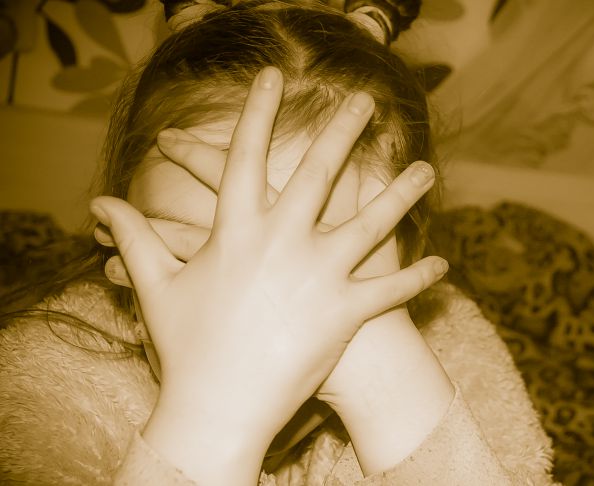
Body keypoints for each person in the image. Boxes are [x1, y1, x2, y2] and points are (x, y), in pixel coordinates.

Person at [0, 1, 555, 484]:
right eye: (195, 255)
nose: (271, 314)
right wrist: (212, 418)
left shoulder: (456, 352)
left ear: (409, 256)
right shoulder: (46, 391)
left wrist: (388, 385)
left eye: (336, 259)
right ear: (119, 253)